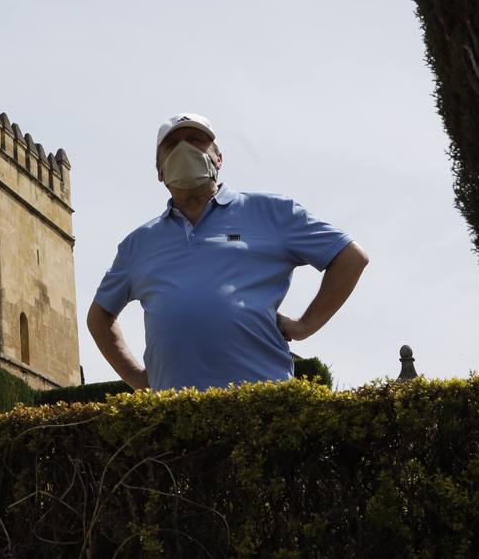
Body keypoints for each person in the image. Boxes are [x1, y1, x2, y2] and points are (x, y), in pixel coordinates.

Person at [88, 112, 368, 391]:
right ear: (159, 171)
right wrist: (136, 377)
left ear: (218, 158)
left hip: (261, 403)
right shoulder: (138, 244)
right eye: (172, 146)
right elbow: (99, 317)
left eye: (196, 140)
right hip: (173, 414)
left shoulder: (270, 212)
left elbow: (349, 258)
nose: (184, 148)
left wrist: (306, 325)